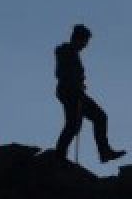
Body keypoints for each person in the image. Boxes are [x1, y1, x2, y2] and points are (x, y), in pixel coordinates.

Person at [54, 24, 126, 163]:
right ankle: (60, 154)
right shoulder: (65, 52)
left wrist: (79, 83)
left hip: (72, 91)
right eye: (84, 41)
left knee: (80, 122)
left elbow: (66, 74)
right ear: (77, 39)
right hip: (70, 92)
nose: (85, 45)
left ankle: (62, 153)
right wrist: (75, 83)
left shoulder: (70, 53)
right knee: (82, 122)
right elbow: (61, 73)